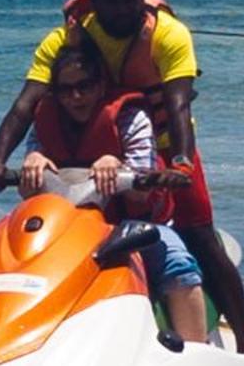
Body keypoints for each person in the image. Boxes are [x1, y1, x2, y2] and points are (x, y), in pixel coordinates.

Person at [0, 0, 244, 353]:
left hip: (162, 147)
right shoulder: (65, 42)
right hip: (86, 153)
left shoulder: (168, 35)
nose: (123, 9)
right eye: (112, 0)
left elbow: (179, 103)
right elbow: (26, 104)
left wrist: (179, 161)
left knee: (198, 235)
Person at [17, 38, 209, 343]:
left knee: (176, 263)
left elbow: (142, 188)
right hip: (65, 229)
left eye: (85, 85)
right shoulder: (44, 120)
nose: (75, 96)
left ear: (100, 84)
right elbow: (31, 195)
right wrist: (32, 162)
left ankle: (197, 350)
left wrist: (118, 165)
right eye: (66, 90)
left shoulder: (130, 117)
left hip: (129, 227)